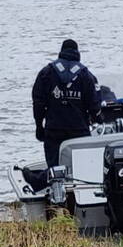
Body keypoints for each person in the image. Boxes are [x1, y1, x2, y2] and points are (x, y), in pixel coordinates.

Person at [32, 39, 100, 170]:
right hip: (79, 132)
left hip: (54, 131)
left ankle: (55, 187)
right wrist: (98, 119)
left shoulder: (46, 73)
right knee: (81, 170)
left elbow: (38, 103)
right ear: (77, 53)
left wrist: (39, 127)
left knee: (55, 171)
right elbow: (95, 105)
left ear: (61, 52)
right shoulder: (86, 75)